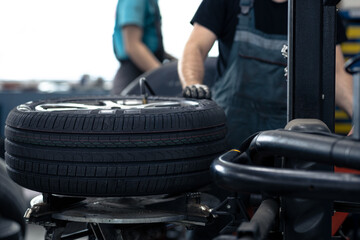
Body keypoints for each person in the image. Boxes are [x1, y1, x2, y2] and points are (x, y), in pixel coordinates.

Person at [178, 0, 353, 148]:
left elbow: (336, 75)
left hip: (289, 140)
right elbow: (196, 47)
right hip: (229, 135)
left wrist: (357, 116)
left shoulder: (317, 9)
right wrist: (192, 84)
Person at [112, 0, 174, 95]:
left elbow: (149, 45)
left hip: (146, 71)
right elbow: (133, 46)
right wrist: (162, 77)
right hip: (134, 75)